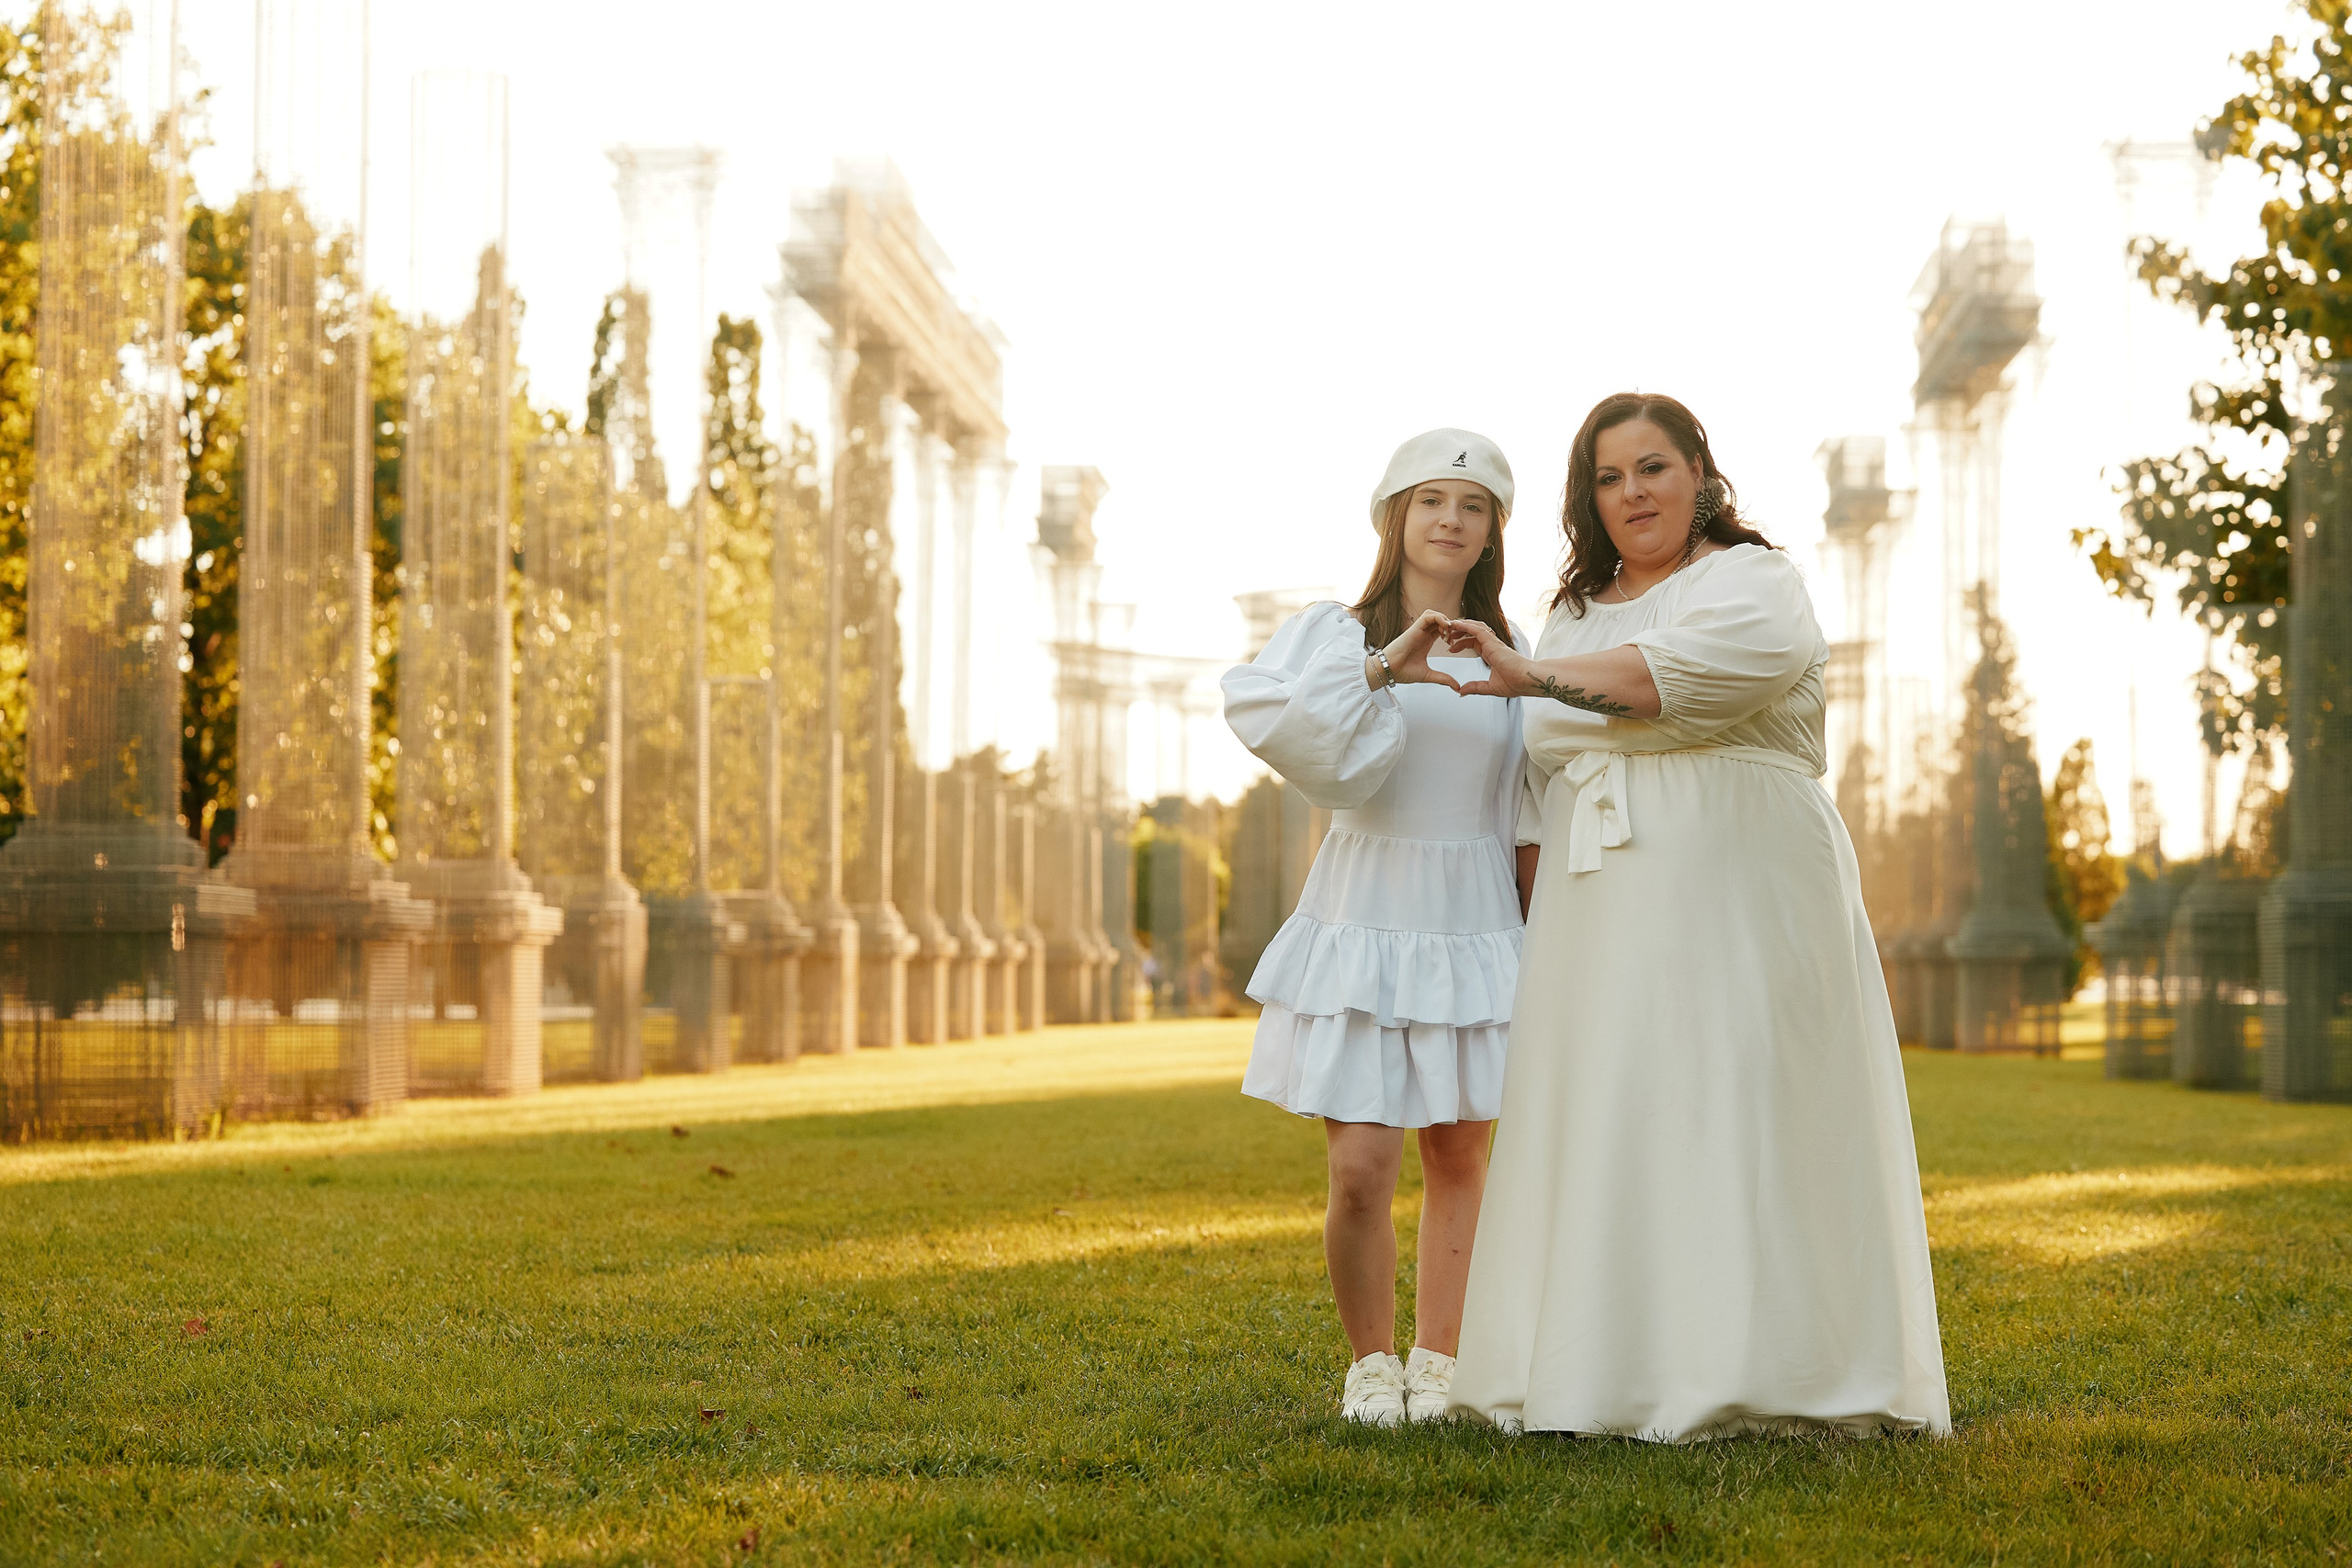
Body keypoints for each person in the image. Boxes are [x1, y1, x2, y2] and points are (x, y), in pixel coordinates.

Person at [1440, 393, 1950, 1441]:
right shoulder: (1576, 613)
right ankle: (1601, 1374)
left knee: (1743, 1098)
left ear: (1701, 478)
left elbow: (1678, 682)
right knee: (1614, 1109)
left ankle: (1773, 1370)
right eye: (1607, 478)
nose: (1631, 493)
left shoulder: (1754, 581)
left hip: (1748, 888)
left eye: (1652, 468)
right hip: (1595, 904)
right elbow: (1542, 769)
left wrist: (1537, 679)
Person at [1221, 429, 1533, 1427]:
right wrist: (1385, 664)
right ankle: (1370, 1364)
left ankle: (1439, 1362)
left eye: (1473, 506)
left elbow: (1526, 802)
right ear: (1395, 515)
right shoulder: (1335, 633)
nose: (1451, 520)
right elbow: (1282, 731)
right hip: (1361, 913)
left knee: (1459, 1158)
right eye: (1432, 499)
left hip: (1472, 918)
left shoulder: (1512, 652)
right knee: (1360, 1167)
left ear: (1491, 533)